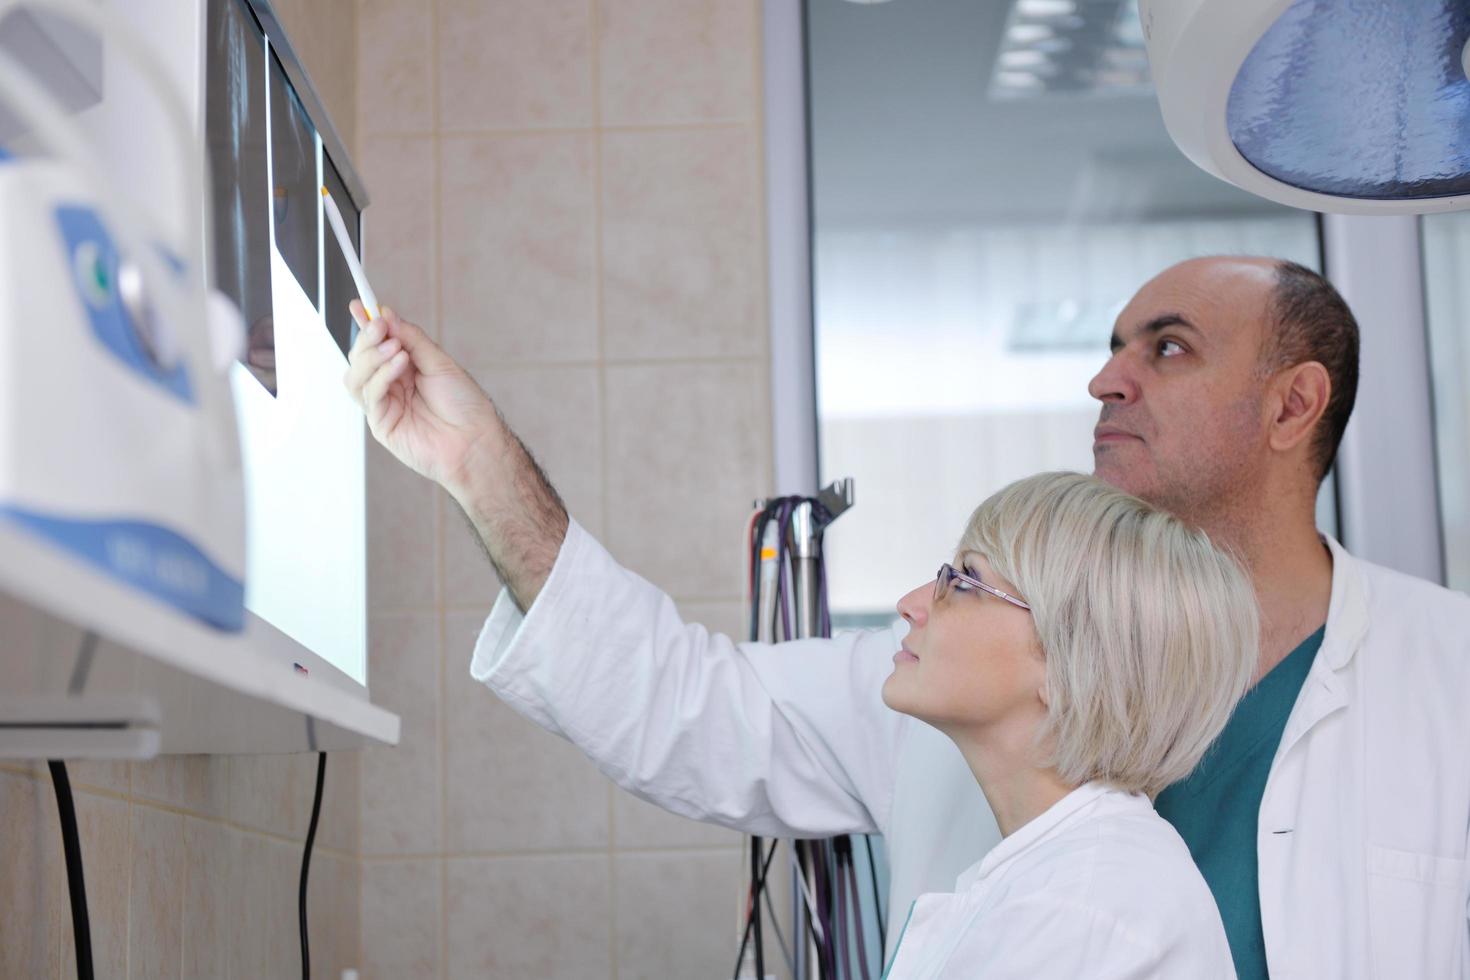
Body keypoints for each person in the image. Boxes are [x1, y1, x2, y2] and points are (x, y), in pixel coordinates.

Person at [343, 254, 1470, 979]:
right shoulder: (963, 668)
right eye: (1112, 346)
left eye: (1165, 347)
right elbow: (684, 702)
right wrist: (478, 465)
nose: (1105, 381)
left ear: (1293, 403)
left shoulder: (1448, 675)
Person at [878, 472, 1253, 978]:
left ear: (1070, 662)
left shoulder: (1079, 906)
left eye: (964, 581)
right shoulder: (1074, 879)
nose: (911, 603)